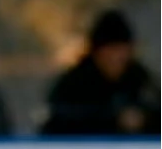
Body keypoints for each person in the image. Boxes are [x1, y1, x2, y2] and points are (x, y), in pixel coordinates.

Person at [41, 8, 160, 136]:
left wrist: (144, 118)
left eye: (121, 51)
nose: (115, 58)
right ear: (96, 52)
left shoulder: (140, 79)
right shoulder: (75, 83)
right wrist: (112, 119)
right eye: (110, 52)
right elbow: (58, 119)